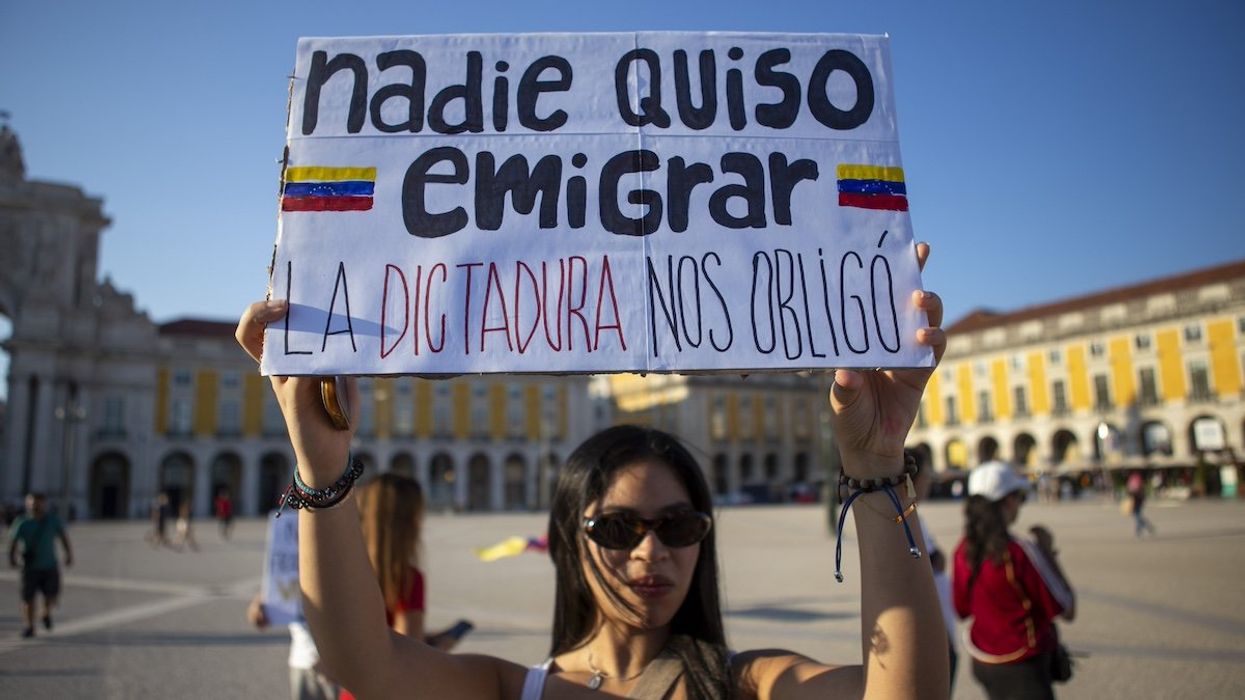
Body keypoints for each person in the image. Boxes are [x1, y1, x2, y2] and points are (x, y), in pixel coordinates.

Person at [235, 243, 949, 699]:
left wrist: (878, 466)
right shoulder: (507, 688)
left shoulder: (749, 683)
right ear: (570, 540)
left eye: (678, 523)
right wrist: (320, 467)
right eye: (615, 527)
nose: (651, 550)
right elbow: (359, 665)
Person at [953, 461, 1076, 700]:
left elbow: (961, 609)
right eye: (1020, 497)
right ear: (1008, 502)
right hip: (1023, 665)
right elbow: (1067, 607)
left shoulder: (963, 551)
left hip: (983, 661)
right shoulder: (1019, 552)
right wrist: (1048, 554)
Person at [910, 450, 959, 693]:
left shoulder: (911, 516)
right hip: (931, 632)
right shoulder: (904, 520)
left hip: (937, 627)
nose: (929, 481)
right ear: (913, 480)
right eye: (927, 475)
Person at [7, 493, 74, 638]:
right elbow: (13, 541)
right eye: (31, 503)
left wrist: (69, 554)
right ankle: (29, 626)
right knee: (28, 597)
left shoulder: (52, 520)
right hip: (29, 566)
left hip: (49, 565)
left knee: (52, 594)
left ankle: (45, 613)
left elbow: (63, 537)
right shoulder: (22, 522)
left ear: (44, 504)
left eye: (38, 503)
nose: (34, 506)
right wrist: (12, 558)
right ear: (27, 504)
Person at [1126, 470, 1155, 537]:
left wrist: (1131, 493)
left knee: (1137, 516)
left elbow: (1133, 491)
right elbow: (1132, 491)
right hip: (1136, 501)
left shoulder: (1135, 480)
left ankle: (1139, 531)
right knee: (1138, 516)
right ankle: (1148, 527)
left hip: (1137, 502)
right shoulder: (1137, 480)